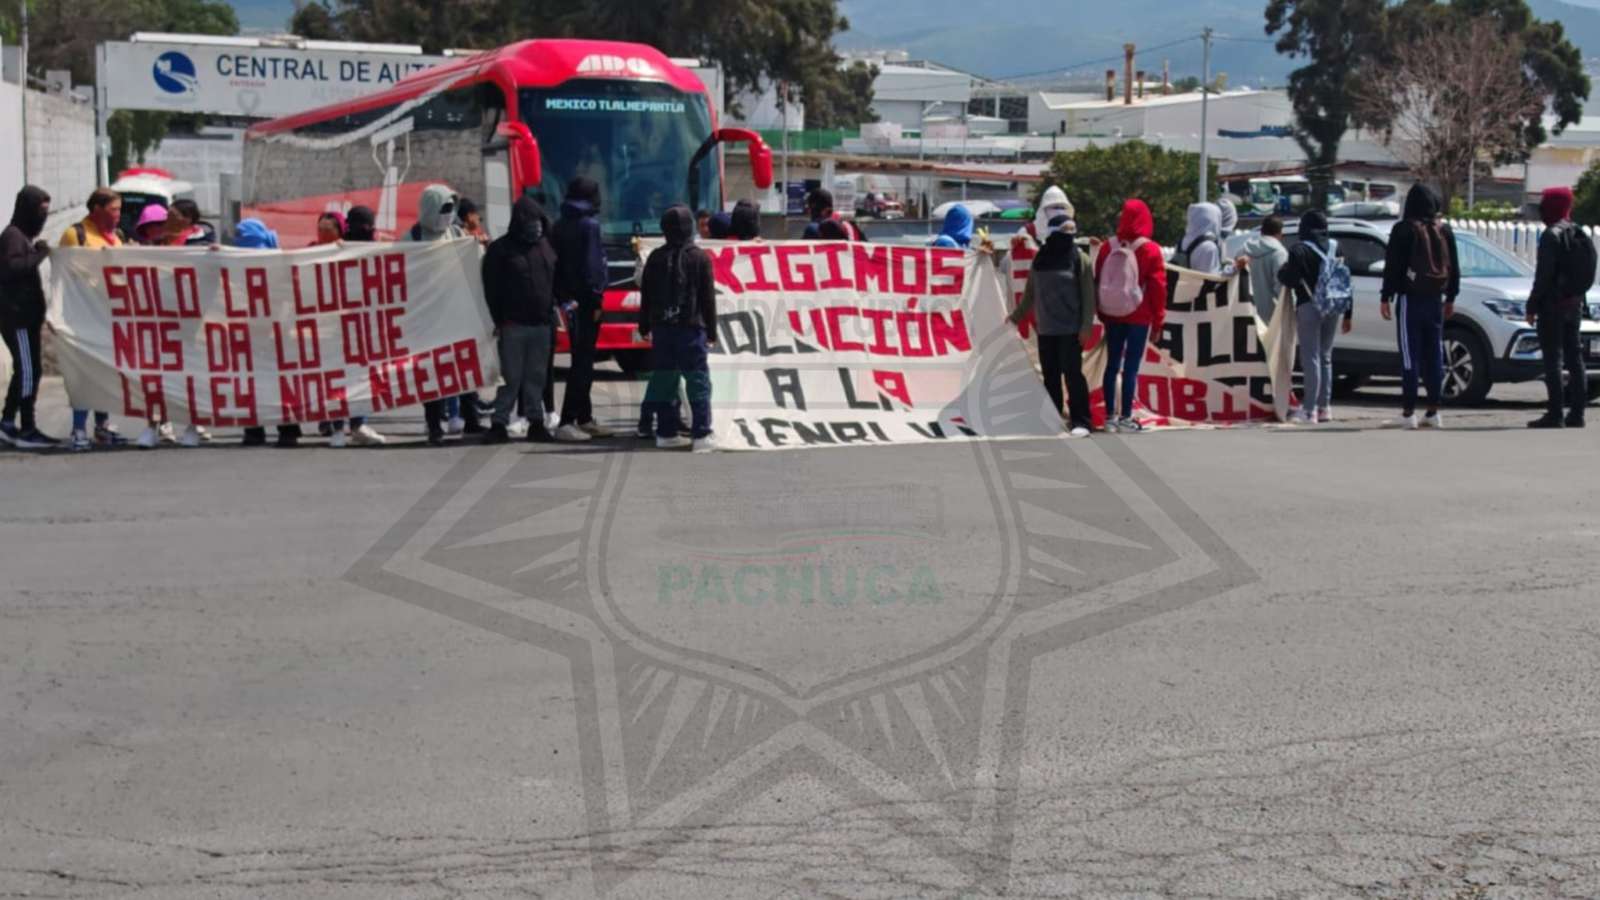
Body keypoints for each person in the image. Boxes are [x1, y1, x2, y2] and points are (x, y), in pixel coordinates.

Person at [1009, 213, 1096, 437]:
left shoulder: (1080, 259)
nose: (1067, 237)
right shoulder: (1040, 259)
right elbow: (1030, 294)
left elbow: (1088, 296)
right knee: (1050, 376)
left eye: (1071, 232)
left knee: (1073, 375)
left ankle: (1082, 421)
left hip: (1071, 329)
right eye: (1063, 232)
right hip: (1046, 328)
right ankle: (1052, 418)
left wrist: (1086, 327)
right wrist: (1014, 318)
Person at [1380, 184, 1460, 430]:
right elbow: (1454, 267)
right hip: (1435, 299)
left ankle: (1408, 412)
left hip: (1409, 298)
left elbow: (1393, 265)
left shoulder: (1403, 229)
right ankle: (1434, 411)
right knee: (1434, 354)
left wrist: (1386, 296)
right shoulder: (1444, 230)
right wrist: (1451, 297)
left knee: (1409, 355)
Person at [638, 205, 717, 452]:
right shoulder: (700, 257)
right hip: (691, 328)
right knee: (697, 381)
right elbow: (707, 299)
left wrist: (644, 326)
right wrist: (712, 331)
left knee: (665, 380)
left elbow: (646, 296)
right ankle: (701, 434)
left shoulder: (655, 257)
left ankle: (666, 431)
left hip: (662, 329)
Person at [481, 195, 558, 444]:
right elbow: (490, 289)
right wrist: (497, 320)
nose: (535, 227)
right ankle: (499, 422)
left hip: (542, 324)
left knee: (537, 376)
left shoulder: (545, 246)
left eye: (538, 221)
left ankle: (536, 421)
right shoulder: (500, 250)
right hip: (513, 325)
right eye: (531, 222)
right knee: (511, 377)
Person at [406, 184, 479, 444]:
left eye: (452, 208)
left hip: (456, 314)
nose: (448, 214)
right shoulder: (412, 238)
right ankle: (433, 423)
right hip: (426, 318)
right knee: (432, 374)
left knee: (463, 369)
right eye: (444, 208)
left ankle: (470, 419)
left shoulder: (456, 232)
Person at [58, 187, 130, 451]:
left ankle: (102, 426)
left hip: (109, 316)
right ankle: (78, 428)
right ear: (97, 210)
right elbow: (67, 275)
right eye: (114, 210)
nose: (118, 215)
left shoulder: (117, 237)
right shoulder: (75, 235)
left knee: (104, 373)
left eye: (119, 210)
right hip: (82, 317)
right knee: (83, 374)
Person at [231, 220, 308, 448]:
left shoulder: (280, 263)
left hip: (277, 329)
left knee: (278, 381)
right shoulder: (239, 262)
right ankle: (257, 429)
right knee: (253, 380)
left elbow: (292, 295)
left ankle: (287, 428)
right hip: (253, 328)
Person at [1093, 199, 1168, 433]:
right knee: (1131, 366)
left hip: (1112, 314)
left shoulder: (1108, 246)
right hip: (1139, 314)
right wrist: (1158, 320)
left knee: (1111, 364)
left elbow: (1098, 281)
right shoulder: (1150, 249)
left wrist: (1102, 312)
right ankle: (1126, 416)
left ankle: (1109, 417)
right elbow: (1158, 287)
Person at [1276, 210, 1353, 424]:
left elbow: (1290, 278)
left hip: (1309, 305)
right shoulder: (1336, 247)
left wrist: (1282, 272)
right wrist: (1348, 313)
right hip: (1334, 305)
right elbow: (1345, 279)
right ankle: (1324, 408)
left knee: (1311, 357)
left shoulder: (1299, 250)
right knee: (1326, 356)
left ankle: (1308, 410)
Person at [551, 176, 611, 442]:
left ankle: (584, 418)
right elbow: (593, 266)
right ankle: (568, 420)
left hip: (568, 300)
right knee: (583, 364)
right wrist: (597, 299)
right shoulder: (589, 226)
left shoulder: (560, 224)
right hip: (587, 302)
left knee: (580, 359)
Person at [1526, 186, 1593, 429]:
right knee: (1575, 359)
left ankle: (1555, 413)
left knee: (1553, 358)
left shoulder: (1550, 235)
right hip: (1573, 304)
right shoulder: (1578, 232)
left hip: (1552, 305)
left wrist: (1532, 305)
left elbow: (1543, 276)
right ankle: (1577, 414)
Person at [0, 186, 59, 449]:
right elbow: (12, 269)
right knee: (27, 371)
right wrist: (39, 255)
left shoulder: (21, 236)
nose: (43, 216)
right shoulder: (12, 237)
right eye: (40, 211)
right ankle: (23, 426)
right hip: (17, 318)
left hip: (27, 317)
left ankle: (12, 423)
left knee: (30, 371)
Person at [1237, 215, 1291, 324]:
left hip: (1245, 313)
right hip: (1271, 317)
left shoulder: (1243, 250)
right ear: (1280, 233)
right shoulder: (1279, 253)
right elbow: (1281, 286)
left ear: (1261, 231)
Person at [1172, 202, 1230, 274]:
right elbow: (1212, 277)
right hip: (1199, 285)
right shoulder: (1209, 247)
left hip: (1181, 285)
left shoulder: (1181, 242)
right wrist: (1233, 268)